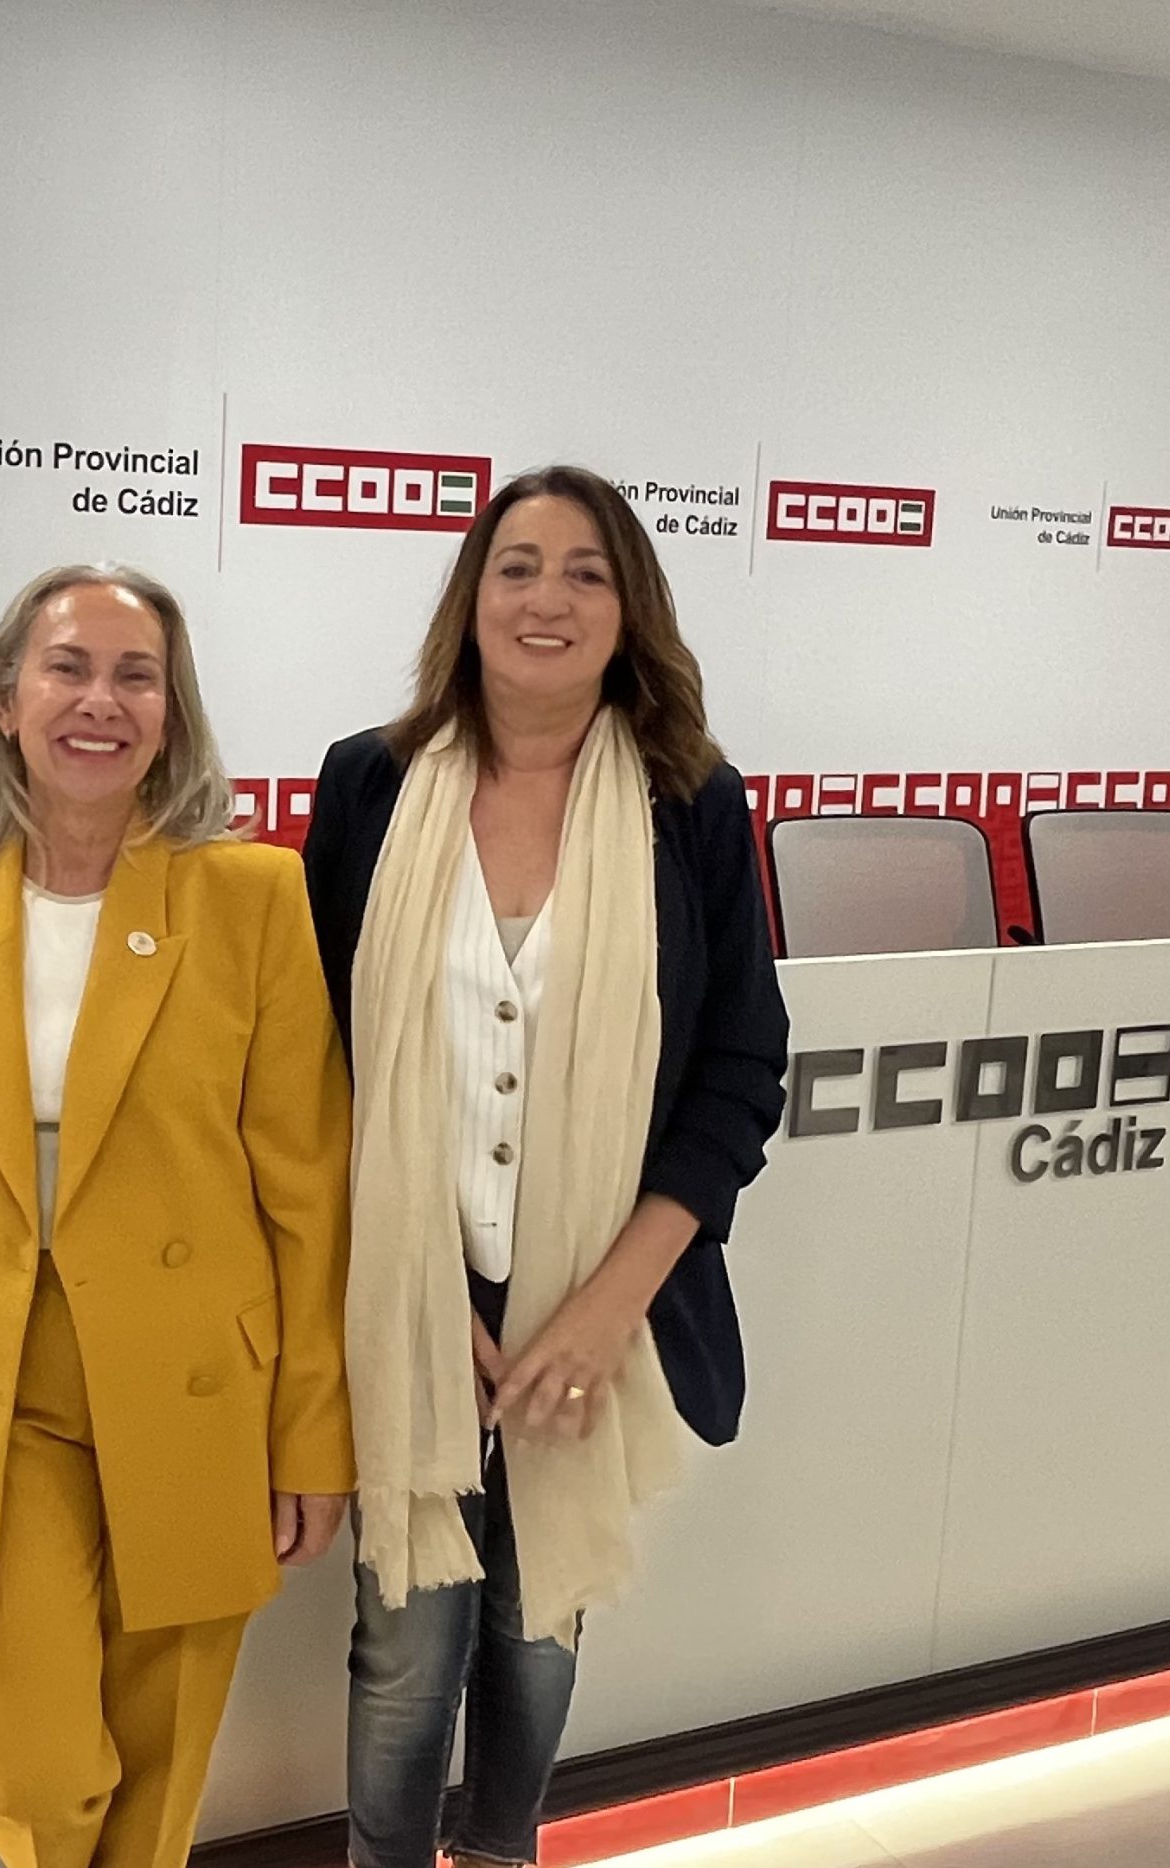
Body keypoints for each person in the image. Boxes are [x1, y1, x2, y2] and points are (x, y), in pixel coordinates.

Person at [300, 467, 790, 1868]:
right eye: (517, 566)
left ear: (630, 610)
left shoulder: (692, 803)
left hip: (601, 1300)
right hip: (413, 1300)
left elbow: (741, 1068)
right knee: (405, 1648)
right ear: (473, 597)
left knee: (538, 1629)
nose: (548, 598)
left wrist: (604, 1308)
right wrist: (413, 1288)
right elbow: (310, 1064)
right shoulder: (370, 783)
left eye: (587, 571)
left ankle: (504, 1851)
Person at [0, 563, 355, 1868]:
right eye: (67, 667)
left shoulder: (251, 896)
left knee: (162, 1760)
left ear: (171, 716)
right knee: (49, 1764)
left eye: (138, 677)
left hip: (197, 1377)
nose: (100, 701)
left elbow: (309, 1189)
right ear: (4, 699)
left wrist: (314, 1436)